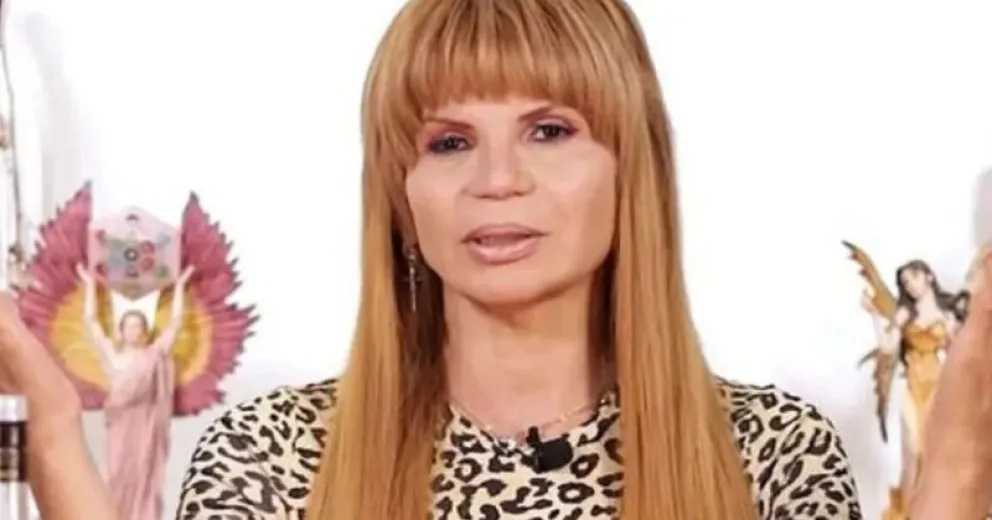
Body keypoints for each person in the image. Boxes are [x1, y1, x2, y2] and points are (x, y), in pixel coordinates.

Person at [1, 1, 992, 519]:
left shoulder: (770, 453)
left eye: (550, 130)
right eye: (448, 142)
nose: (497, 179)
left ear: (631, 171)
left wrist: (951, 466)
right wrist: (52, 434)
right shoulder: (272, 457)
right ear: (401, 195)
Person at [75, 264, 193, 520]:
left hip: (145, 428)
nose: (133, 331)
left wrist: (180, 287)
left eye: (138, 326)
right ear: (121, 331)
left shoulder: (153, 355)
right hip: (119, 426)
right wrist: (90, 286)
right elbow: (91, 322)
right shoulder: (112, 356)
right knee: (114, 475)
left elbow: (175, 324)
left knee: (143, 478)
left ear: (145, 331)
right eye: (129, 326)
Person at [859, 259, 969, 517]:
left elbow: (957, 353)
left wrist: (953, 331)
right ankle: (910, 511)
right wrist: (874, 315)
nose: (911, 286)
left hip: (941, 389)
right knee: (914, 449)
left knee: (939, 452)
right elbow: (888, 347)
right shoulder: (904, 315)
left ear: (928, 276)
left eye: (914, 278)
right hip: (914, 388)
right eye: (906, 283)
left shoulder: (947, 312)